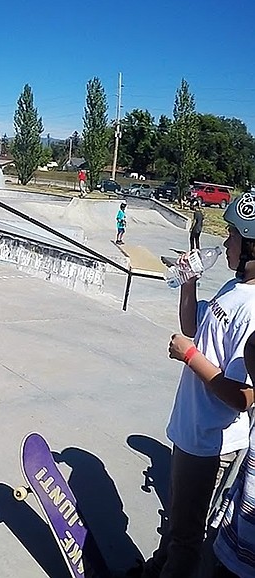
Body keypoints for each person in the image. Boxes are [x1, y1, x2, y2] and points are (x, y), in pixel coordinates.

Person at [136, 193, 255, 578]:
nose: (225, 244)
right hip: (191, 427)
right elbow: (193, 328)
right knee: (178, 521)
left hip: (210, 440)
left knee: (187, 536)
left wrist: (189, 356)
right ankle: (158, 566)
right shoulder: (234, 290)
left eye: (233, 236)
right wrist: (189, 283)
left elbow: (245, 397)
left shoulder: (252, 308)